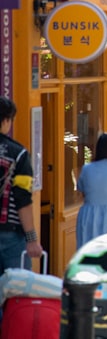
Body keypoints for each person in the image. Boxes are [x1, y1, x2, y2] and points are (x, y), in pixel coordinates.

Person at [0, 97, 43, 272]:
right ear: (6, 121)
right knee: (18, 290)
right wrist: (32, 239)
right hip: (10, 233)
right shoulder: (19, 154)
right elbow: (22, 199)